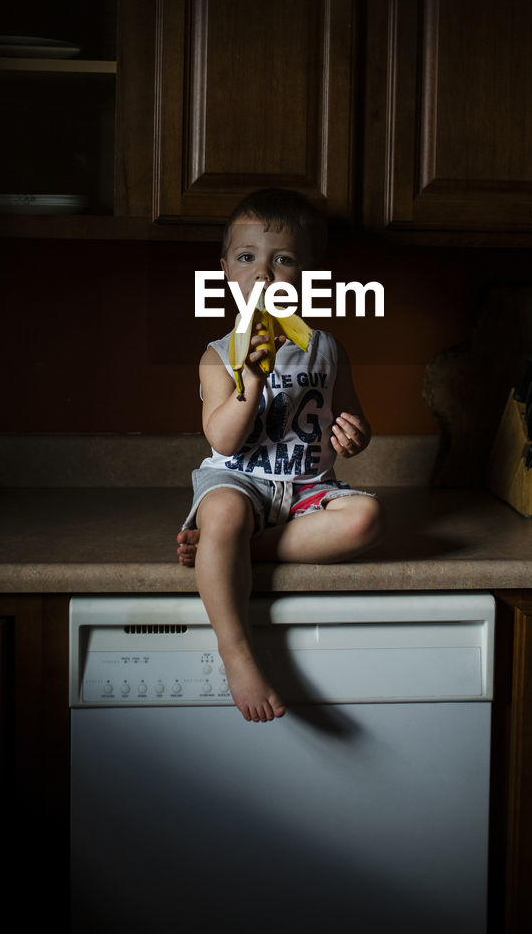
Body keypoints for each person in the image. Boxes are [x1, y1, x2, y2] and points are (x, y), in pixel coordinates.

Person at [176, 188, 384, 723]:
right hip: (241, 481)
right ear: (225, 271)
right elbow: (222, 441)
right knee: (223, 512)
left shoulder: (327, 348)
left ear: (312, 276)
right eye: (247, 258)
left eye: (283, 260)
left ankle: (227, 553)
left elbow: (353, 418)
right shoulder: (218, 356)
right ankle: (236, 652)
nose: (263, 274)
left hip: (310, 488)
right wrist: (248, 378)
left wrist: (355, 435)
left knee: (365, 518)